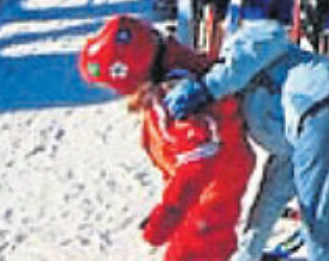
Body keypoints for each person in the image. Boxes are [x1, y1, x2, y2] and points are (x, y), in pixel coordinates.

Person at [161, 18, 329, 261]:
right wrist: (248, 253)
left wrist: (209, 87)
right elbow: (274, 193)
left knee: (324, 224)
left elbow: (271, 35)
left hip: (328, 105)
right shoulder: (260, 126)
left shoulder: (233, 59)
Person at [77, 15, 254, 261]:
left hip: (212, 184)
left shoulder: (176, 97)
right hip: (203, 184)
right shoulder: (169, 64)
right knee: (196, 236)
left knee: (198, 247)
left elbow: (199, 157)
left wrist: (169, 212)